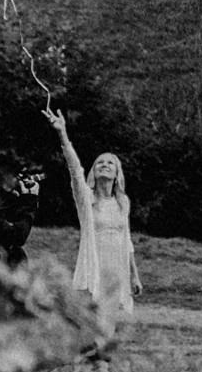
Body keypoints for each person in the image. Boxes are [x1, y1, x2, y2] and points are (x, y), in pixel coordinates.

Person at [46, 108, 139, 328]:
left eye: (110, 163)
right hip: (94, 267)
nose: (104, 165)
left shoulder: (122, 202)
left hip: (117, 268)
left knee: (111, 323)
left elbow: (128, 241)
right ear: (93, 172)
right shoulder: (86, 200)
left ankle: (102, 362)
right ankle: (89, 357)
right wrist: (63, 135)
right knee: (90, 322)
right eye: (100, 163)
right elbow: (75, 170)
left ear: (117, 174)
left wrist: (134, 275)